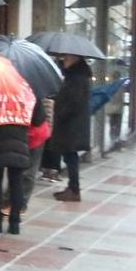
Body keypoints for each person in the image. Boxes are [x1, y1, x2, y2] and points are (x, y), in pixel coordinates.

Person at [0, 104, 34, 236]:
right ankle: (14, 223)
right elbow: (38, 119)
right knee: (16, 182)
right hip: (19, 142)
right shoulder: (22, 95)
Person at [50, 55, 92, 203]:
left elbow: (74, 102)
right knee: (69, 156)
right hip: (71, 124)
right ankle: (72, 187)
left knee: (71, 156)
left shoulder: (77, 79)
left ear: (76, 59)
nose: (64, 60)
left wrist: (60, 113)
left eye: (67, 58)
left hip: (72, 125)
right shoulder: (74, 76)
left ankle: (74, 189)